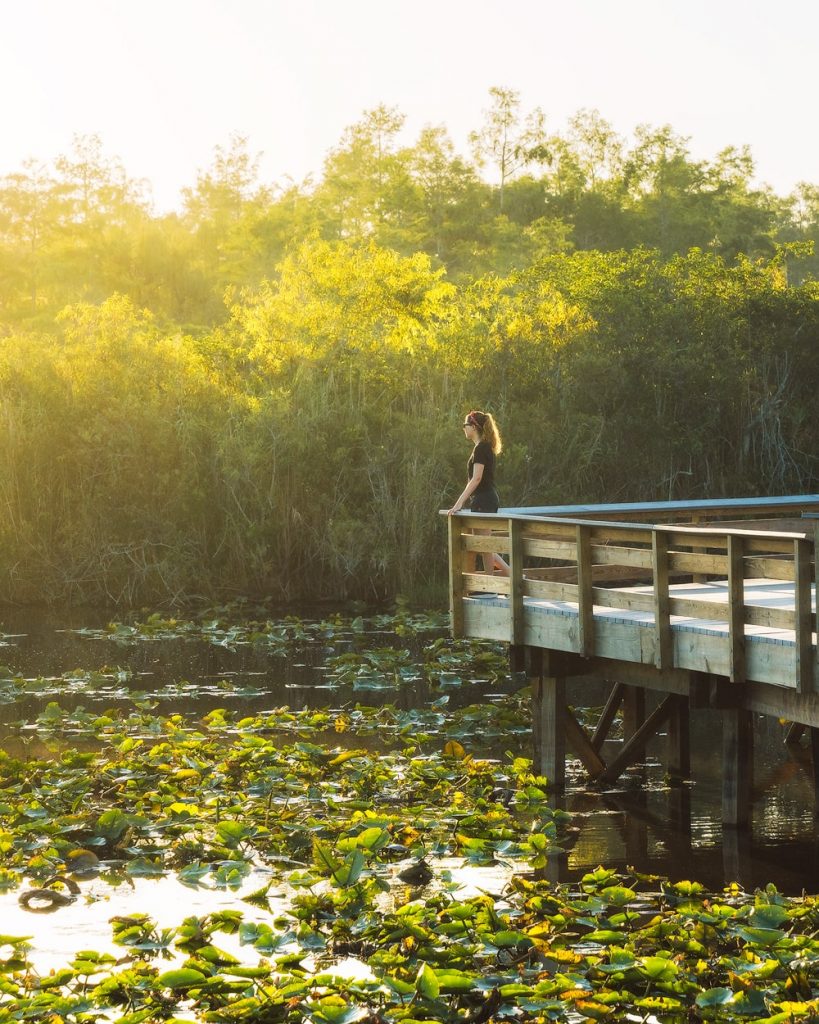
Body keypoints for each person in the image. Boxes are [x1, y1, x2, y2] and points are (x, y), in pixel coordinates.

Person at [447, 410, 510, 578]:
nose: (463, 429)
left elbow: (476, 479)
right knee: (482, 545)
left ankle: (491, 586)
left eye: (465, 425)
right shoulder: (482, 447)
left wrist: (459, 502)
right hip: (483, 499)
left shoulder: (481, 448)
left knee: (484, 545)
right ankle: (511, 577)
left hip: (484, 499)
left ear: (473, 427)